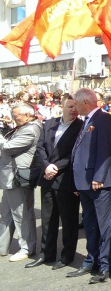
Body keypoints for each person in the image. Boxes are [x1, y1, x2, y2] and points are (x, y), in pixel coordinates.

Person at [67, 88, 111, 284]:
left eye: (76, 104)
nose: (74, 108)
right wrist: (76, 181)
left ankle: (105, 265)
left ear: (85, 102)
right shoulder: (87, 120)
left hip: (99, 183)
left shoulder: (103, 119)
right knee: (90, 224)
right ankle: (91, 260)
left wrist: (99, 177)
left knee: (104, 226)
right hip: (84, 183)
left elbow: (105, 150)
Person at [25, 96, 82, 270]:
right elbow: (39, 147)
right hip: (47, 178)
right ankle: (46, 254)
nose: (74, 109)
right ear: (61, 107)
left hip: (66, 179)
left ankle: (67, 255)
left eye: (76, 106)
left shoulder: (81, 127)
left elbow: (75, 153)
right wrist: (46, 166)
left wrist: (54, 167)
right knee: (48, 219)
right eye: (70, 106)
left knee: (68, 219)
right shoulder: (49, 123)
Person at [0, 103, 42, 262]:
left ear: (27, 115)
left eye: (15, 115)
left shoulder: (30, 129)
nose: (13, 117)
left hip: (17, 177)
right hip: (10, 176)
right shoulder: (24, 126)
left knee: (22, 214)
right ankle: (2, 246)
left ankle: (27, 248)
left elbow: (8, 147)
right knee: (6, 213)